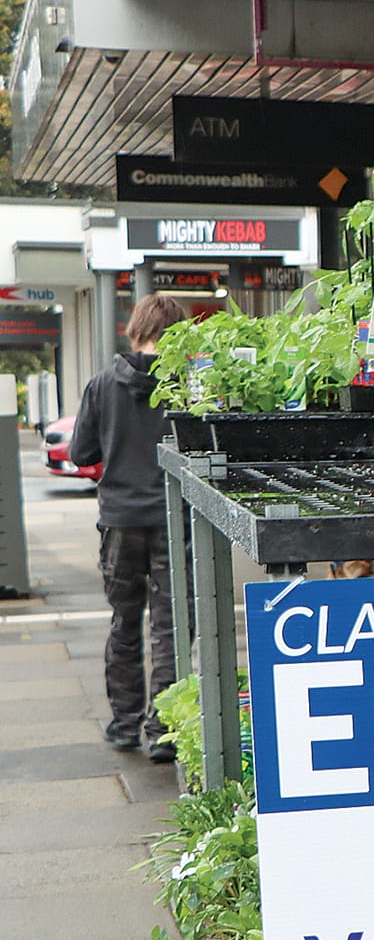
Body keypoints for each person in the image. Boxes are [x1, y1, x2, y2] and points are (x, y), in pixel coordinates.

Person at [68, 293, 192, 763]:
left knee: (124, 622)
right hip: (172, 519)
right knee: (171, 627)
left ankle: (124, 724)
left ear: (134, 328)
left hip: (119, 521)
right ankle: (161, 731)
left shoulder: (102, 385)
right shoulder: (186, 386)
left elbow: (83, 455)